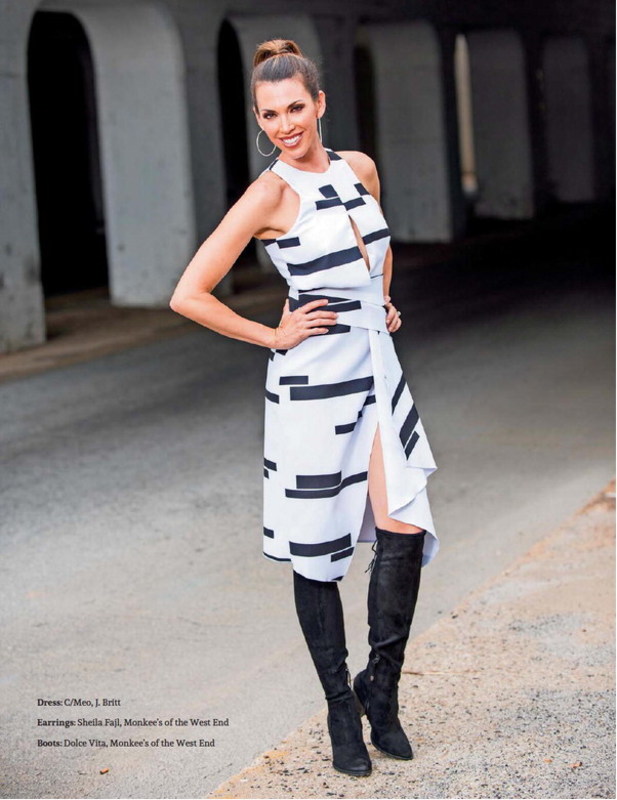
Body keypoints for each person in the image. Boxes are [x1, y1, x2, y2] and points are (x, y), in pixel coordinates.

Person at [170, 38, 439, 778]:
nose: (285, 125)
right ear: (260, 121)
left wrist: (380, 299)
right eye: (270, 115)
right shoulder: (268, 195)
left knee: (403, 526)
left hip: (375, 367)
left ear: (319, 103)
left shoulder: (359, 168)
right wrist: (272, 334)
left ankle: (380, 689)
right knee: (317, 548)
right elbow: (189, 293)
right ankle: (339, 709)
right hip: (313, 380)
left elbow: (376, 245)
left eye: (295, 108)